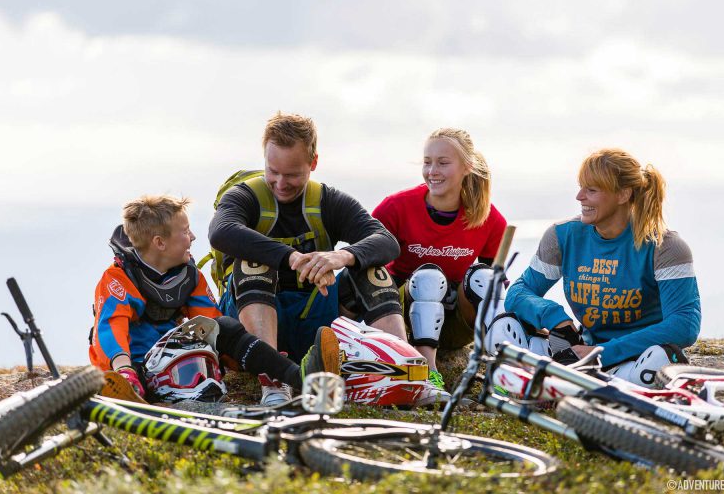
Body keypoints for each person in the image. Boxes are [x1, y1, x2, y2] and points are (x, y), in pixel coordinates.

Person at [209, 112, 412, 406]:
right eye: (272, 171)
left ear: (313, 163)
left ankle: (404, 372)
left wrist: (341, 256)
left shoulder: (328, 201)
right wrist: (292, 257)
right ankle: (274, 381)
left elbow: (386, 242)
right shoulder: (245, 196)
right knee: (252, 262)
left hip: (314, 316)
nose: (280, 183)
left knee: (371, 270)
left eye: (292, 174)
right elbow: (221, 232)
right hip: (250, 323)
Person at [88, 195, 340, 403]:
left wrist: (238, 357)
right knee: (124, 359)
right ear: (159, 243)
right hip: (136, 366)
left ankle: (303, 377)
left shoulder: (190, 275)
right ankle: (128, 389)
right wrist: (124, 368)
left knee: (227, 327)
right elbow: (110, 326)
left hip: (178, 360)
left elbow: (210, 322)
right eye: (185, 232)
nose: (194, 237)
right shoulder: (117, 278)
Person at [499, 148, 701, 386]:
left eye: (591, 190)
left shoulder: (665, 247)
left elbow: (684, 324)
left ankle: (563, 387)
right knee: (505, 327)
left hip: (632, 359)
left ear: (623, 195)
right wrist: (554, 317)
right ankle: (557, 385)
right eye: (581, 187)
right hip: (582, 352)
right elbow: (518, 292)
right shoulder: (563, 236)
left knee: (659, 359)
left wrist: (603, 352)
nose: (579, 197)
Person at [372, 128, 507, 396]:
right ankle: (428, 372)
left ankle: (498, 374)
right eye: (427, 162)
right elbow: (365, 268)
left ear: (467, 166)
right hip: (402, 320)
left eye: (443, 163)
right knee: (428, 278)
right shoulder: (395, 208)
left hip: (454, 326)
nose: (432, 170)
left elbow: (494, 289)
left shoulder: (490, 219)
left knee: (486, 278)